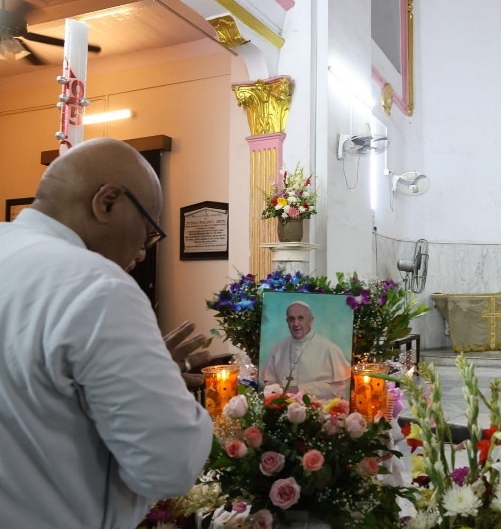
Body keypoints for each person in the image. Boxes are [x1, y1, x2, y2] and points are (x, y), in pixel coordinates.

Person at [0, 138, 213, 528]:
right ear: (108, 202)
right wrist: (163, 384)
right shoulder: (98, 285)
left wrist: (142, 372)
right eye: (148, 230)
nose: (143, 252)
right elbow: (169, 464)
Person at [261, 301, 351, 399]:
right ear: (287, 321)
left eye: (300, 318)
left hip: (319, 407)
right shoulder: (278, 348)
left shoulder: (329, 349)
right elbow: (269, 383)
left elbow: (338, 390)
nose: (296, 324)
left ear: (310, 320)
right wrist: (277, 392)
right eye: (291, 319)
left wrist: (300, 389)